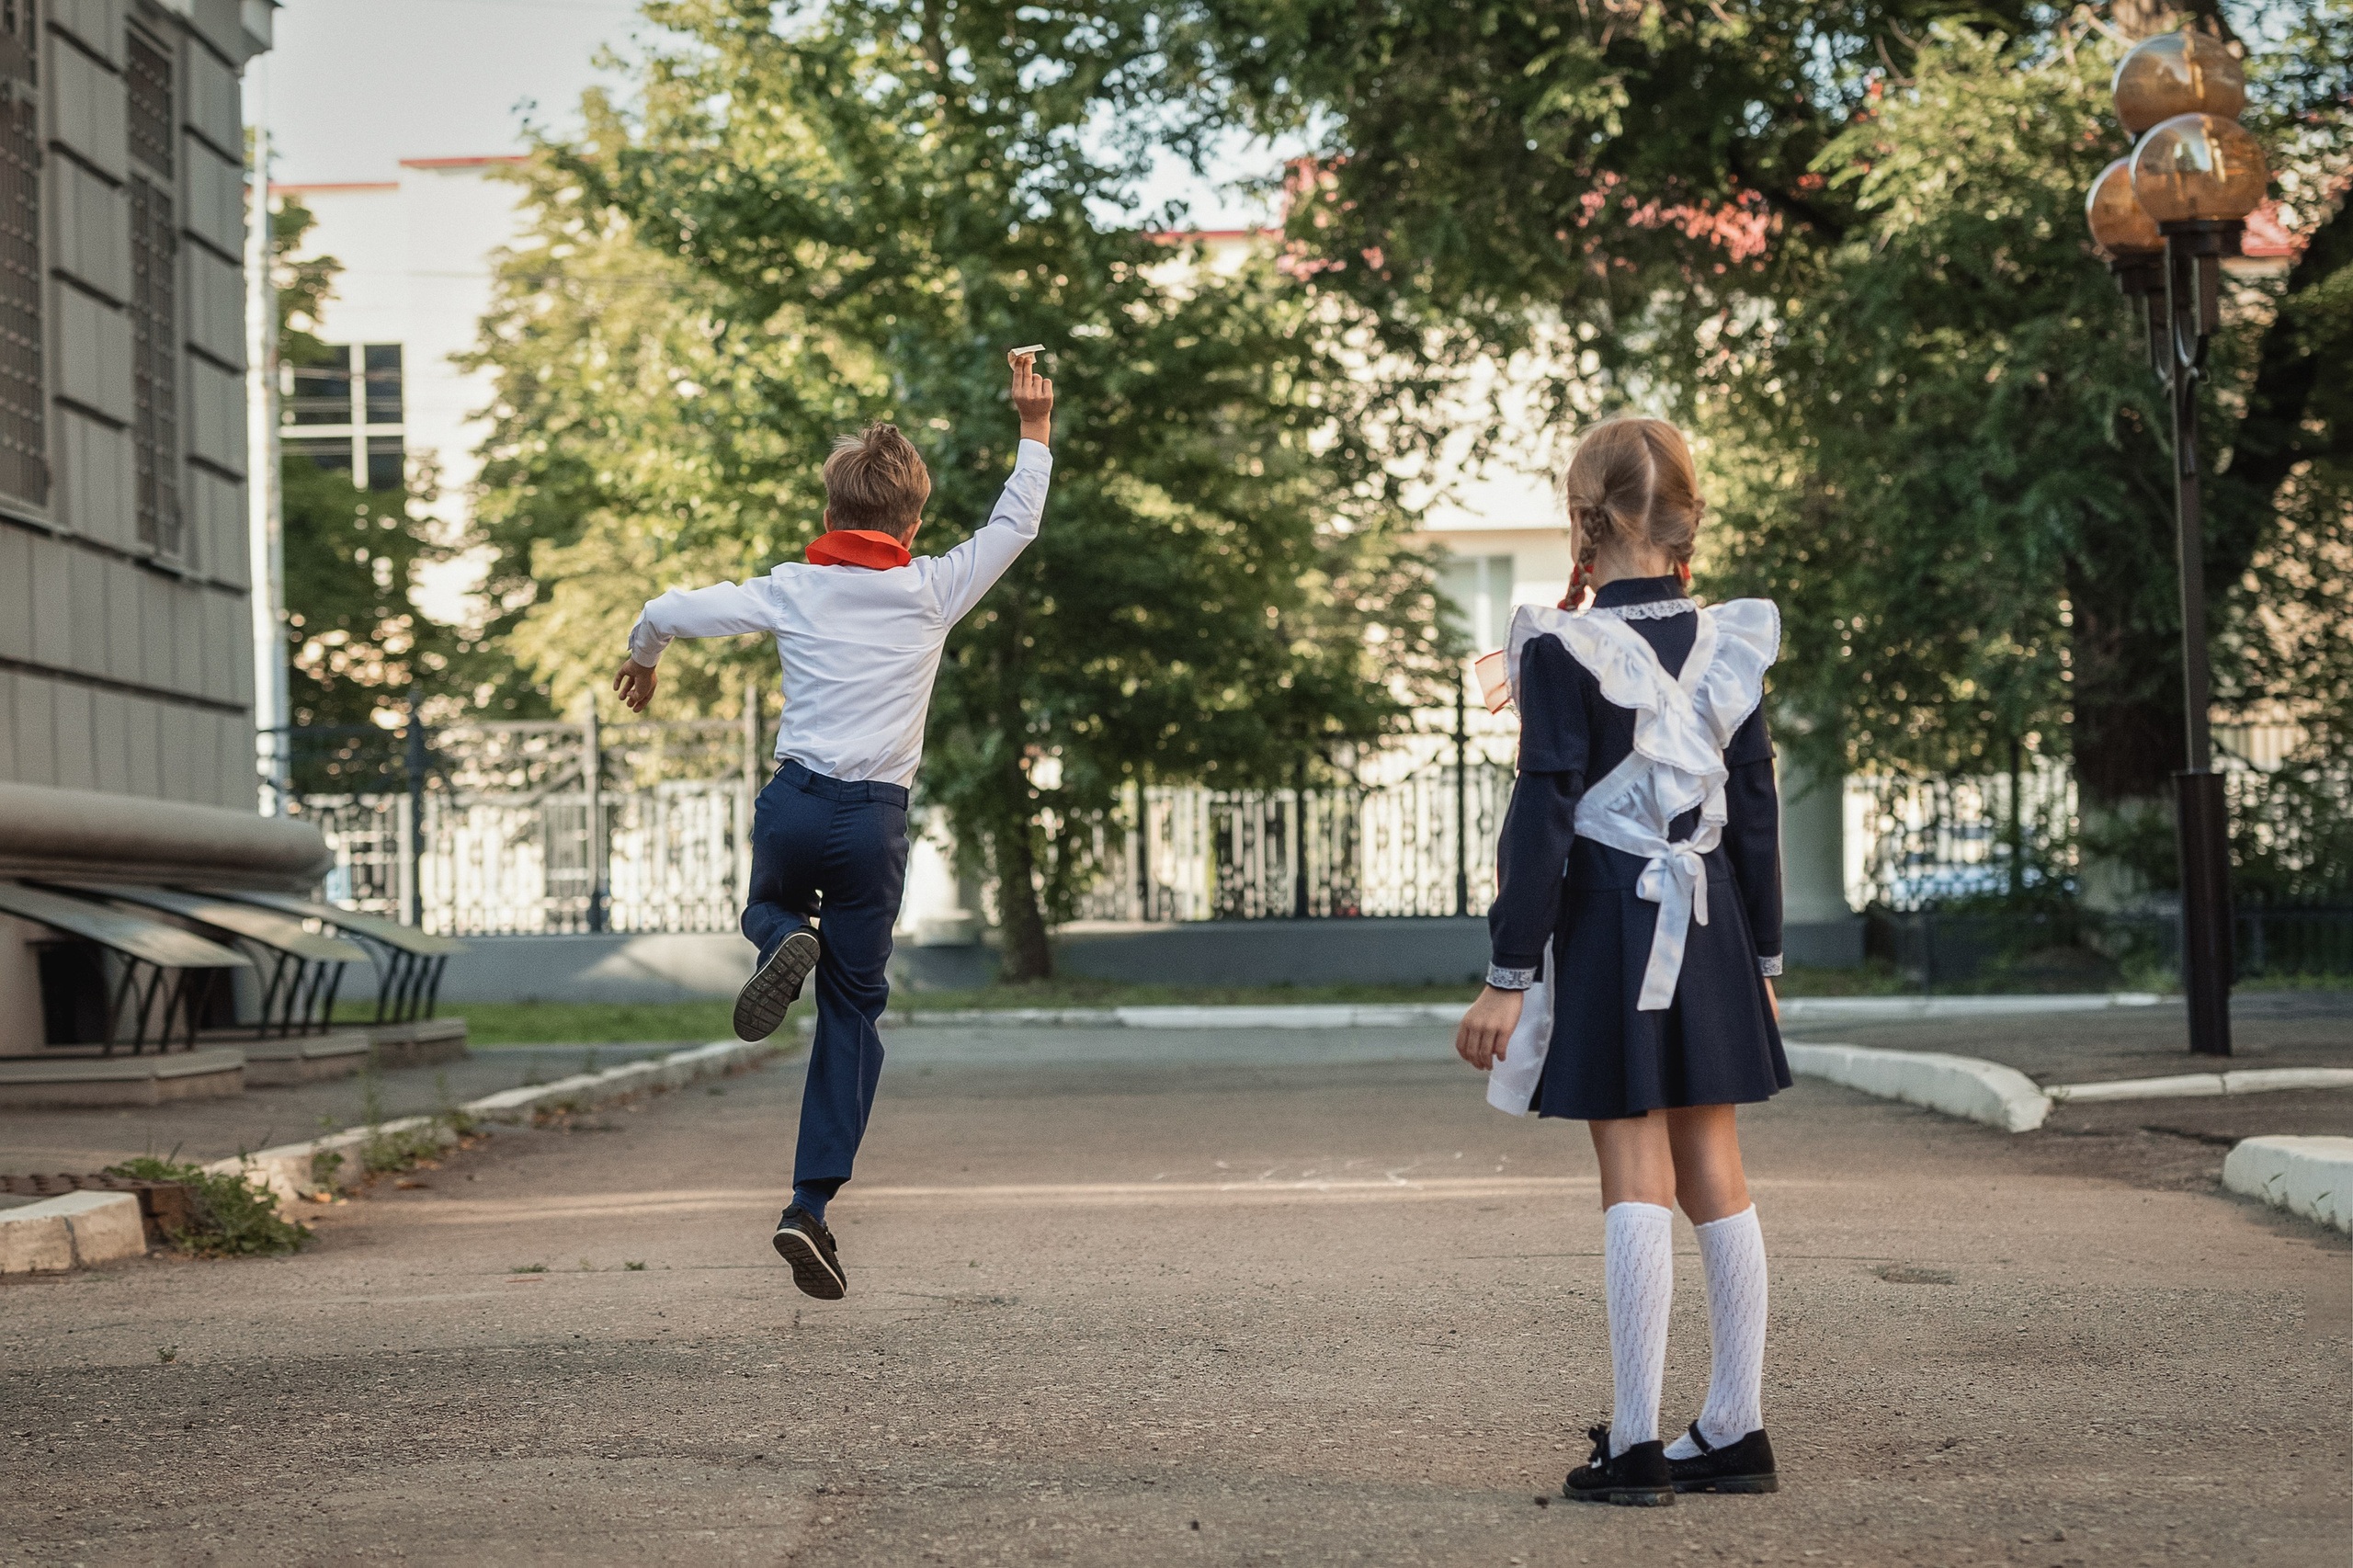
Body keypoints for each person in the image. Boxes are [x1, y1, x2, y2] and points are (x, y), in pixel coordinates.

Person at [612, 350, 1056, 1300]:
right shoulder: (933, 588)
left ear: (829, 516)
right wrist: (1033, 426)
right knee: (852, 1013)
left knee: (768, 904)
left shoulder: (789, 588)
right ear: (913, 520)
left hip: (795, 802)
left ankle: (782, 938)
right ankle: (808, 1204)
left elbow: (663, 609)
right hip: (871, 825)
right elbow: (1017, 521)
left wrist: (643, 660)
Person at [1454, 416, 1788, 1506]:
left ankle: (1637, 1441)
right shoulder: (1728, 637)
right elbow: (1757, 808)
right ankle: (1733, 1427)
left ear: (1583, 520)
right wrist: (1768, 954)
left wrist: (1508, 975)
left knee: (1632, 1173)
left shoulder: (1558, 643)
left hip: (1609, 921)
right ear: (1683, 516)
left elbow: (1545, 808)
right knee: (1717, 1176)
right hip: (1715, 922)